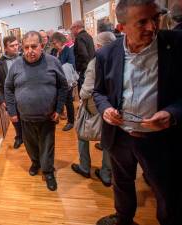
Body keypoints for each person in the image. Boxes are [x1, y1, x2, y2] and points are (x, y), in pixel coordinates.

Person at [93, 0, 182, 224]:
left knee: (166, 190)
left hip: (160, 139)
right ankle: (124, 218)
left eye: (155, 18)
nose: (152, 27)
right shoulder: (106, 54)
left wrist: (172, 113)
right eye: (142, 22)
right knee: (122, 182)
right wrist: (106, 110)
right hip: (120, 136)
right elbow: (99, 93)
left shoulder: (176, 45)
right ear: (121, 27)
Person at [5, 31, 68, 191]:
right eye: (26, 47)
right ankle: (35, 162)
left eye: (34, 46)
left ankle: (48, 171)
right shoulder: (16, 65)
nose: (29, 50)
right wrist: (12, 111)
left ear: (42, 46)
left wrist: (59, 108)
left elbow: (63, 86)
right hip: (24, 117)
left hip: (47, 117)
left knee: (47, 146)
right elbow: (8, 88)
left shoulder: (53, 62)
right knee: (30, 145)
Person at [71, 31, 116, 187]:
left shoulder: (96, 62)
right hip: (113, 105)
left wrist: (81, 97)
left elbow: (87, 89)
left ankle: (84, 166)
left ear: (99, 46)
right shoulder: (120, 59)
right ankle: (106, 173)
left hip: (94, 105)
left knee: (82, 134)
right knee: (109, 139)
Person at [0, 36, 23, 149]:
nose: (16, 47)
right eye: (12, 46)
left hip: (25, 94)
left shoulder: (24, 58)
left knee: (27, 117)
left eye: (16, 45)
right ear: (5, 48)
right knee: (15, 118)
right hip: (10, 97)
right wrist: (1, 100)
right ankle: (19, 136)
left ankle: (30, 136)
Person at [51, 32, 76, 131]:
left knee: (68, 101)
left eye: (55, 43)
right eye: (53, 43)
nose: (54, 45)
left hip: (66, 81)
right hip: (55, 80)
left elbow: (71, 65)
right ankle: (56, 117)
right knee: (56, 99)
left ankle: (71, 122)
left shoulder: (68, 51)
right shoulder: (54, 51)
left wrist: (59, 67)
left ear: (61, 41)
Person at [70, 20, 95, 92]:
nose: (71, 31)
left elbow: (83, 54)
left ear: (76, 27)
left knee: (83, 92)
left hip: (84, 70)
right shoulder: (89, 36)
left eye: (72, 29)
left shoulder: (79, 38)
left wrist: (80, 69)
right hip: (91, 66)